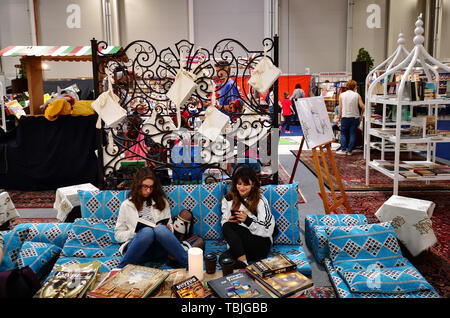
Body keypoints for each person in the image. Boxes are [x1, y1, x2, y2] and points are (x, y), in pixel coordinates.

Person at [114, 167, 188, 269]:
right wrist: (136, 232)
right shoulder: (126, 205)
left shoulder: (162, 202)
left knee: (161, 229)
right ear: (138, 185)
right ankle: (120, 269)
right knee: (147, 232)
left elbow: (169, 224)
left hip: (159, 250)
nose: (148, 190)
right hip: (138, 250)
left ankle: (190, 264)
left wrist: (170, 228)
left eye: (151, 187)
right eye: (145, 186)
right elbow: (118, 235)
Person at [220, 166, 275, 269]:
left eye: (246, 184)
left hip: (260, 244)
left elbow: (268, 228)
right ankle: (244, 265)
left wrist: (248, 221)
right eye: (239, 184)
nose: (242, 187)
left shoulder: (260, 200)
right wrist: (229, 220)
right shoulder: (228, 200)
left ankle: (243, 263)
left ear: (253, 184)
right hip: (240, 246)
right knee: (223, 260)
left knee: (227, 226)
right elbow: (225, 225)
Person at [337, 79, 365, 155]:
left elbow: (340, 108)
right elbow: (362, 106)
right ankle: (349, 151)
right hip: (355, 117)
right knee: (352, 134)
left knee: (343, 134)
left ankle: (343, 150)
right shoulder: (357, 95)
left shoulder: (341, 95)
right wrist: (361, 115)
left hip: (345, 117)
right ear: (354, 87)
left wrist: (339, 117)